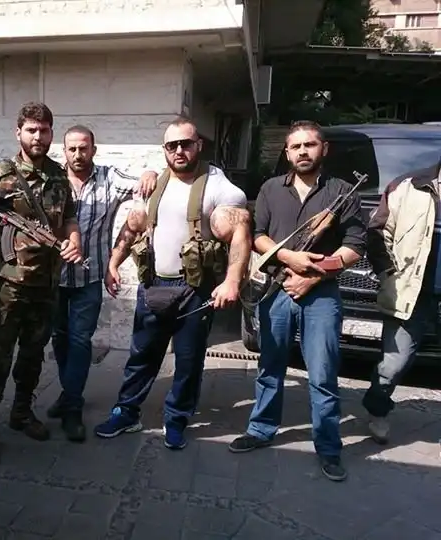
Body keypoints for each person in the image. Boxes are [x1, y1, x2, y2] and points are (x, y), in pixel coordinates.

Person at [93, 116, 252, 450]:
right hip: (153, 285)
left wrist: (232, 280)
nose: (179, 150)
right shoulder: (153, 185)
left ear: (199, 145)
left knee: (188, 360)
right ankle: (126, 413)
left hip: (194, 291)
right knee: (141, 356)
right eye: (172, 145)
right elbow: (132, 227)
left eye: (186, 144)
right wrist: (113, 263)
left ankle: (177, 418)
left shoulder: (218, 186)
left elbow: (239, 231)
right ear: (164, 149)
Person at [227, 120, 366, 482]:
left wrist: (315, 273)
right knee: (270, 367)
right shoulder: (271, 189)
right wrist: (290, 258)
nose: (303, 151)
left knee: (322, 374)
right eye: (296, 146)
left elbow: (355, 246)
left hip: (321, 296)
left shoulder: (343, 191)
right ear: (287, 152)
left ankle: (329, 447)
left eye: (310, 144)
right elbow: (258, 236)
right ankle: (261, 429)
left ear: (324, 149)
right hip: (276, 291)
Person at [0, 102, 83, 466]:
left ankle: (21, 412)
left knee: (33, 355)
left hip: (46, 286)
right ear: (18, 132)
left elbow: (69, 217)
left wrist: (74, 239)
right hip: (7, 287)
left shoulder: (59, 177)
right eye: (31, 130)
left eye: (44, 130)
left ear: (51, 133)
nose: (38, 136)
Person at [47, 125, 158, 443]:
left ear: (93, 150)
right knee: (59, 339)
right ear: (64, 151)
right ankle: (69, 393)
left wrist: (150, 172)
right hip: (52, 279)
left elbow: (143, 186)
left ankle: (72, 408)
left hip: (89, 276)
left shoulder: (109, 178)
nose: (78, 154)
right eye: (72, 149)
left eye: (83, 148)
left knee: (80, 340)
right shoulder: (52, 180)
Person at [362, 158, 441, 444]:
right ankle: (378, 409)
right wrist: (388, 273)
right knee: (395, 362)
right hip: (412, 293)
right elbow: (377, 231)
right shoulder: (408, 187)